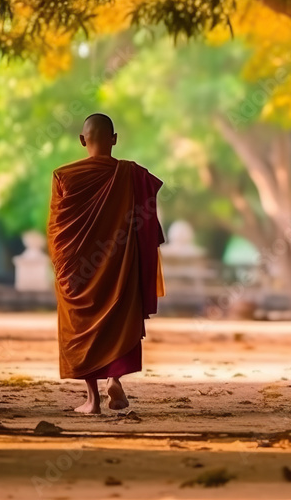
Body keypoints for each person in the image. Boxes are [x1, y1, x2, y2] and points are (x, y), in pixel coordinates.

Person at [47, 113, 165, 414]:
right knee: (117, 320)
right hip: (120, 267)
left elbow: (57, 232)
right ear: (114, 139)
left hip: (78, 269)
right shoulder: (132, 174)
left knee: (80, 324)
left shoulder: (63, 176)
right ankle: (114, 378)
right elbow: (147, 221)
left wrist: (64, 266)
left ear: (82, 140)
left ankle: (93, 400)